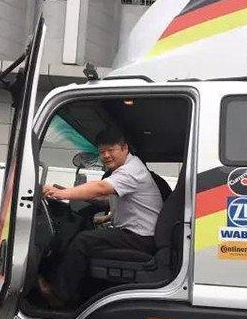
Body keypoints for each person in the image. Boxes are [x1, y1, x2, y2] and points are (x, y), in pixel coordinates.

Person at [38, 128, 164, 308]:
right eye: (102, 152)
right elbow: (109, 201)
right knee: (89, 237)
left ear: (124, 148)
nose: (105, 155)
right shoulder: (128, 169)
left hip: (141, 238)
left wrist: (63, 193)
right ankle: (78, 294)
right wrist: (104, 219)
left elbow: (101, 188)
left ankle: (59, 295)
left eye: (111, 150)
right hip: (141, 234)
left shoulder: (131, 171)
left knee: (83, 240)